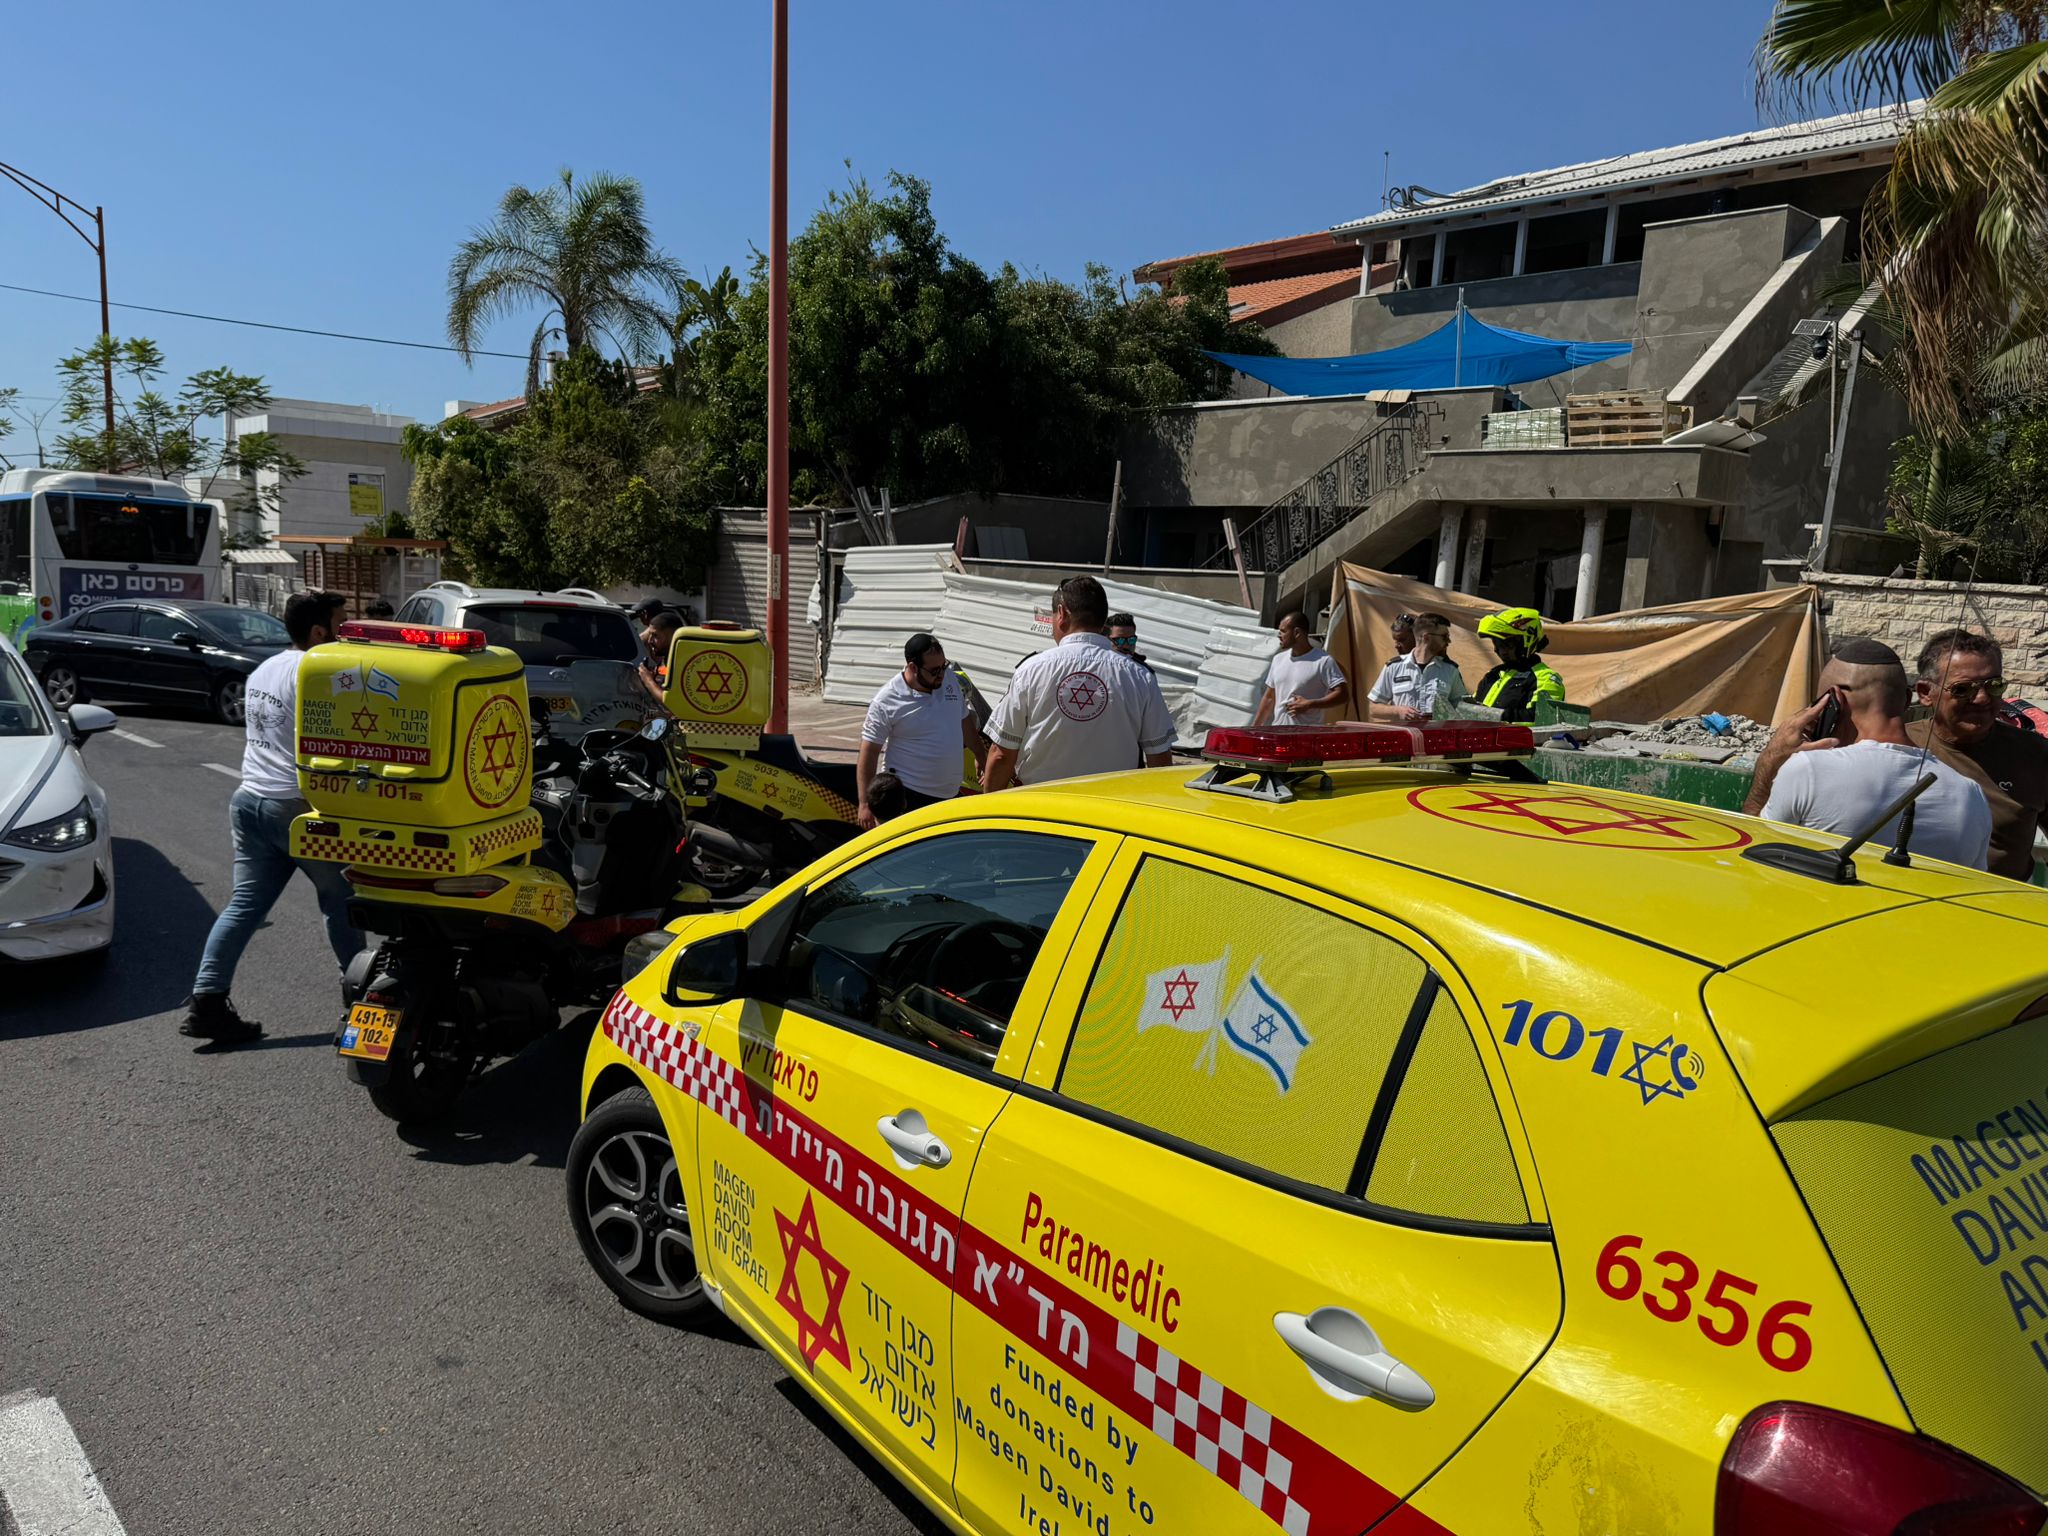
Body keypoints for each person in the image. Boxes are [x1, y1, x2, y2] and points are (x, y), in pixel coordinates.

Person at [181, 590, 357, 1045]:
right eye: (342, 624)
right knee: (341, 898)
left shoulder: (265, 669)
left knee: (244, 906)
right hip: (297, 807)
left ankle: (207, 1001)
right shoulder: (320, 673)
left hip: (250, 800)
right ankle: (361, 1000)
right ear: (319, 632)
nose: (348, 632)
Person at [1743, 637, 1991, 869]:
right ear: (1907, 700)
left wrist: (1771, 758)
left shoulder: (1808, 768)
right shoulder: (1971, 794)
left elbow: (1755, 854)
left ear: (1834, 700)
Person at [983, 576, 1175, 789]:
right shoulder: (1139, 676)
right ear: (1103, 619)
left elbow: (1001, 755)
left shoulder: (1031, 670)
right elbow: (1160, 759)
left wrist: (988, 807)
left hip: (1040, 803)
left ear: (1062, 614)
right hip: (1111, 804)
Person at [1906, 629, 2048, 882]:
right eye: (1963, 689)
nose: (1982, 699)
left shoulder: (2035, 754)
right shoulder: (1898, 745)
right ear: (1926, 692)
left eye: (1994, 686)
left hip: (2003, 901)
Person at [858, 632, 988, 828]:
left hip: (949, 795)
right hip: (909, 797)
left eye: (944, 666)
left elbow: (964, 722)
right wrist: (865, 804)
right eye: (934, 670)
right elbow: (869, 751)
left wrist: (981, 756)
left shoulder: (949, 680)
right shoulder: (887, 700)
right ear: (913, 667)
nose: (941, 675)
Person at [1251, 611, 1350, 726]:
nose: (1279, 635)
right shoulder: (1278, 659)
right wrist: (1254, 728)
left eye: (1283, 631)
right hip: (1279, 731)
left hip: (1306, 733)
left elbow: (1343, 695)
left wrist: (1310, 704)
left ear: (1297, 633)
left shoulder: (1323, 661)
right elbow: (1269, 697)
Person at [1366, 612, 1467, 724]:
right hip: (1405, 734)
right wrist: (1398, 711)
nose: (1448, 641)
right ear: (1426, 637)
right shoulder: (1393, 667)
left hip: (1437, 734)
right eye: (1444, 636)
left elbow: (1463, 708)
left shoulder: (1450, 670)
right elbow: (1373, 709)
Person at [1473, 607, 1565, 722]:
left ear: (1526, 641)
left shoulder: (1546, 678)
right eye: (1497, 643)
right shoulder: (1494, 674)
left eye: (1507, 644)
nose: (1502, 651)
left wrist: (1496, 716)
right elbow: (1471, 708)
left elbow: (1542, 718)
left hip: (1510, 734)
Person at [637, 609, 682, 706]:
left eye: (655, 636)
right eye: (650, 635)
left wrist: (648, 680)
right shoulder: (667, 659)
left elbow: (671, 702)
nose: (650, 641)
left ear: (672, 636)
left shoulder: (681, 663)